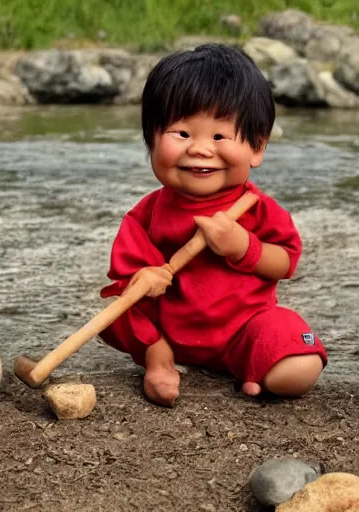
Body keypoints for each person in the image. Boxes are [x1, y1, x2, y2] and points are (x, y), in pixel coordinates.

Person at [98, 44, 326, 407]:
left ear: (257, 147)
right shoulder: (146, 215)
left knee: (300, 366)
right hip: (166, 332)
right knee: (115, 312)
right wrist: (143, 279)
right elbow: (125, 277)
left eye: (220, 137)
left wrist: (243, 247)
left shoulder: (257, 209)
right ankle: (159, 361)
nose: (200, 149)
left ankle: (254, 367)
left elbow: (285, 263)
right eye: (182, 134)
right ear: (150, 141)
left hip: (243, 328)